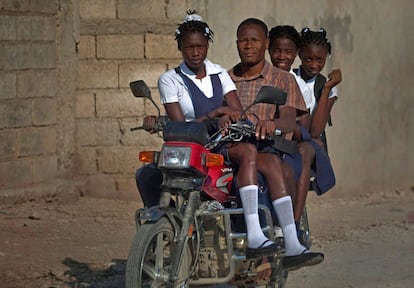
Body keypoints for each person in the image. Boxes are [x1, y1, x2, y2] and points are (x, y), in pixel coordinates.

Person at [138, 11, 278, 258]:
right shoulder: (170, 79)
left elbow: (236, 111)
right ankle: (163, 227)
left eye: (200, 47)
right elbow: (181, 127)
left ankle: (255, 232)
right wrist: (215, 114)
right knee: (147, 174)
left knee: (247, 151)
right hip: (188, 147)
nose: (195, 52)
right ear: (180, 47)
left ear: (207, 47)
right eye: (189, 47)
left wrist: (228, 116)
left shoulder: (219, 73)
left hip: (218, 143)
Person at [228, 18, 324, 271]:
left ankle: (286, 235)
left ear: (265, 44)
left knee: (275, 164)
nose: (248, 46)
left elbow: (290, 120)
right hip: (234, 145)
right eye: (243, 40)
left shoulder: (282, 79)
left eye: (255, 40)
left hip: (270, 145)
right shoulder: (225, 78)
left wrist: (273, 123)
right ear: (236, 43)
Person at [267, 25, 341, 234]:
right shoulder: (291, 77)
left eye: (320, 60)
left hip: (303, 137)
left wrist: (326, 89)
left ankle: (293, 225)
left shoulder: (323, 85)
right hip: (280, 134)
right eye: (308, 59)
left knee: (303, 151)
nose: (314, 65)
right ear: (300, 55)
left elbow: (315, 130)